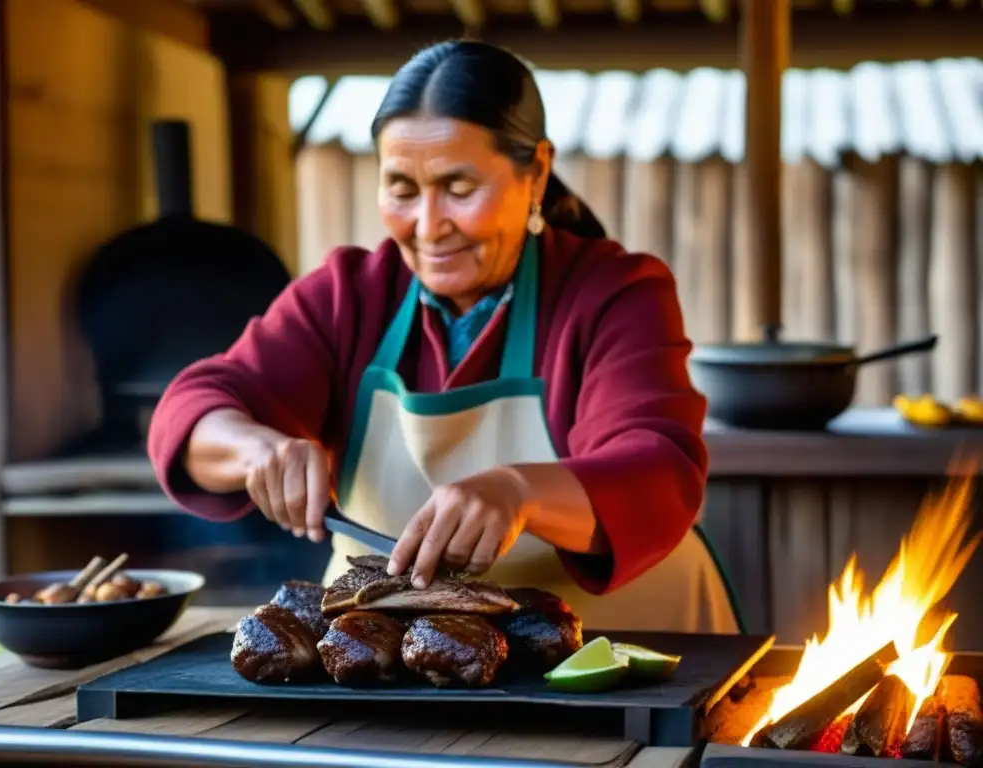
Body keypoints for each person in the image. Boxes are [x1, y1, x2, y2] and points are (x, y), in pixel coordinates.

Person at [147, 40, 742, 634]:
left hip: (619, 646)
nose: (429, 227)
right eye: (402, 189)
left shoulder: (614, 290)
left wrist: (520, 491)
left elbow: (659, 470)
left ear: (535, 173)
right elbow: (193, 409)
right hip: (394, 658)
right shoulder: (346, 295)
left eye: (459, 188)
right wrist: (258, 450)